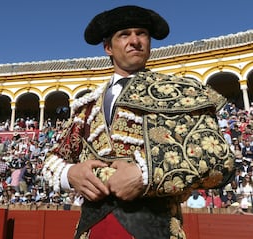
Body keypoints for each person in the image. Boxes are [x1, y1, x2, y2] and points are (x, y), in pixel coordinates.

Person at [42, 5, 235, 239]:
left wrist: (145, 176)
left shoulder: (181, 93)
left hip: (156, 228)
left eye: (141, 33)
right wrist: (70, 173)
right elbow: (52, 159)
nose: (135, 41)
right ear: (108, 48)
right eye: (124, 35)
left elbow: (219, 161)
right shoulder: (87, 107)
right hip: (91, 229)